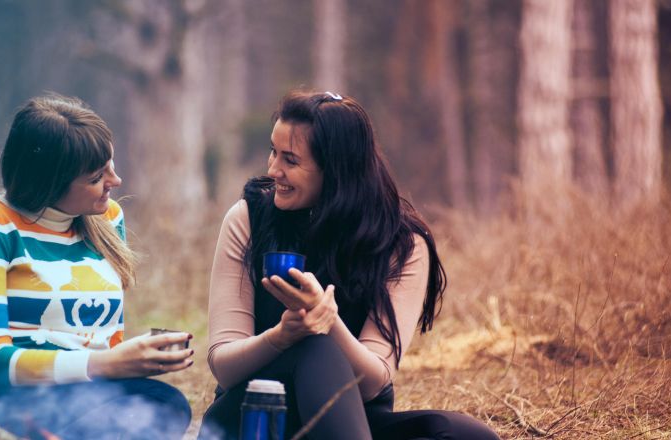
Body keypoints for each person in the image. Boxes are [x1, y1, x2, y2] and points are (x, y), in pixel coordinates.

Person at [200, 90, 500, 440]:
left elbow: (374, 381)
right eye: (273, 151)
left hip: (352, 421)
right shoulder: (248, 220)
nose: (273, 170)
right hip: (254, 419)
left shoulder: (402, 243)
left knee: (470, 435)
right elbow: (224, 365)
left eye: (290, 160)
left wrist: (329, 321)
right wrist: (284, 336)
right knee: (311, 345)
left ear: (337, 171)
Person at [0, 94, 193, 439]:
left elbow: (106, 340)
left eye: (111, 165)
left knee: (165, 403)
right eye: (96, 176)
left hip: (66, 399)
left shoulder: (106, 219)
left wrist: (130, 360)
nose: (115, 181)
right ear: (49, 182)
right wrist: (105, 364)